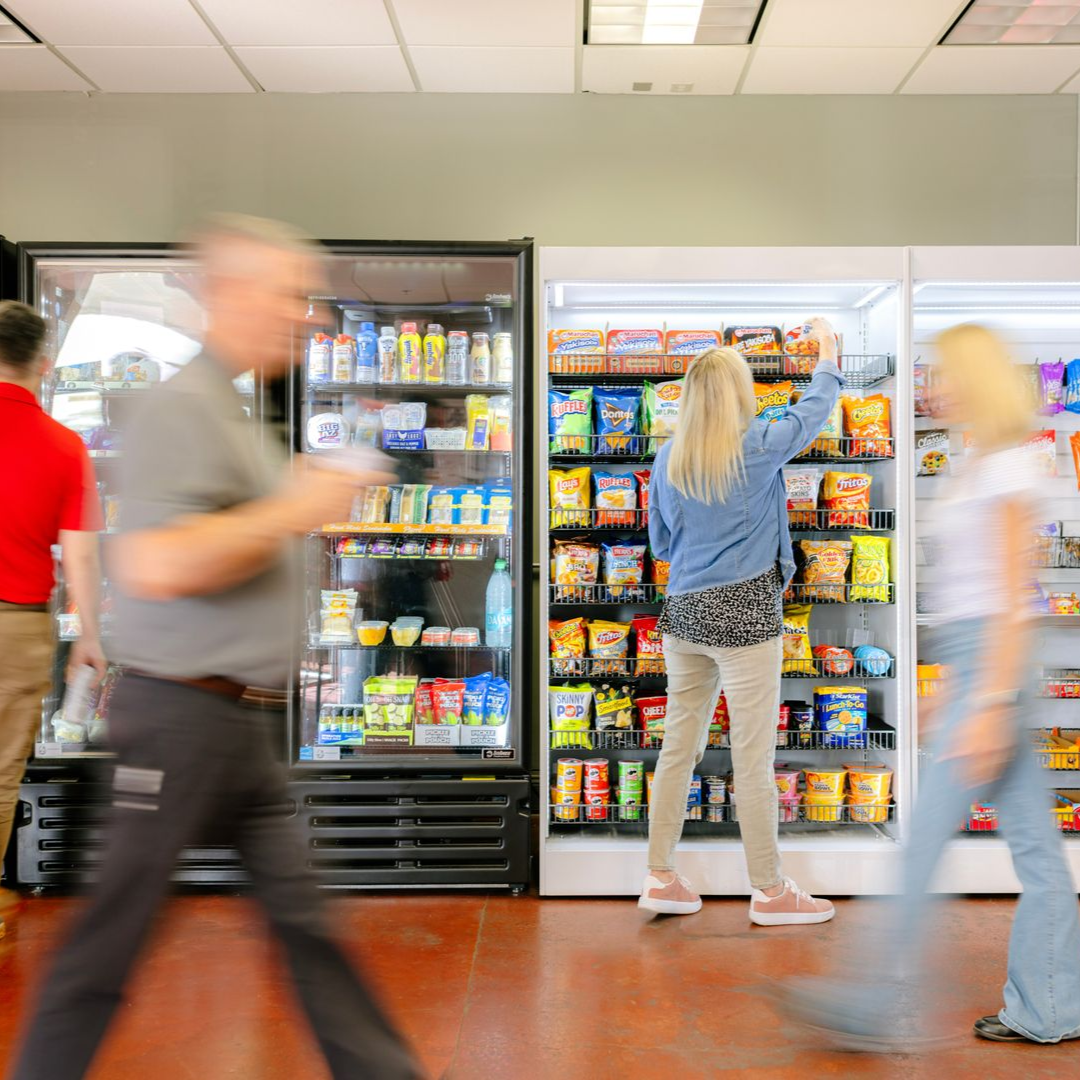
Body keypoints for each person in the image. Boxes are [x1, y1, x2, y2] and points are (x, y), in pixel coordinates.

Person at [10, 216, 422, 1080]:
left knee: (308, 926)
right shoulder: (180, 405)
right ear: (228, 294)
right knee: (108, 940)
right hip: (179, 720)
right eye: (284, 295)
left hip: (237, 725)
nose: (302, 316)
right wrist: (296, 505)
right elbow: (156, 564)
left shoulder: (231, 406)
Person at [780, 325, 1080, 1049]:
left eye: (945, 375)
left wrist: (982, 702)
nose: (933, 387)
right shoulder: (980, 462)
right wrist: (952, 688)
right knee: (1040, 853)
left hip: (992, 672)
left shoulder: (1008, 468)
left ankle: (866, 1003)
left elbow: (1012, 597)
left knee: (920, 849)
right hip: (978, 670)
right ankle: (1051, 1007)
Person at [639, 320, 843, 924]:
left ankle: (660, 876)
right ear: (739, 395)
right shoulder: (758, 443)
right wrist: (828, 353)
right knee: (751, 757)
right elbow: (814, 409)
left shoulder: (669, 455)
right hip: (747, 610)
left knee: (679, 745)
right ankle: (770, 891)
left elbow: (661, 546)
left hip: (685, 611)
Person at [0, 301, 106, 939]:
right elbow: (83, 551)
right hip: (16, 626)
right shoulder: (65, 446)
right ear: (44, 364)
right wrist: (88, 634)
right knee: (0, 772)